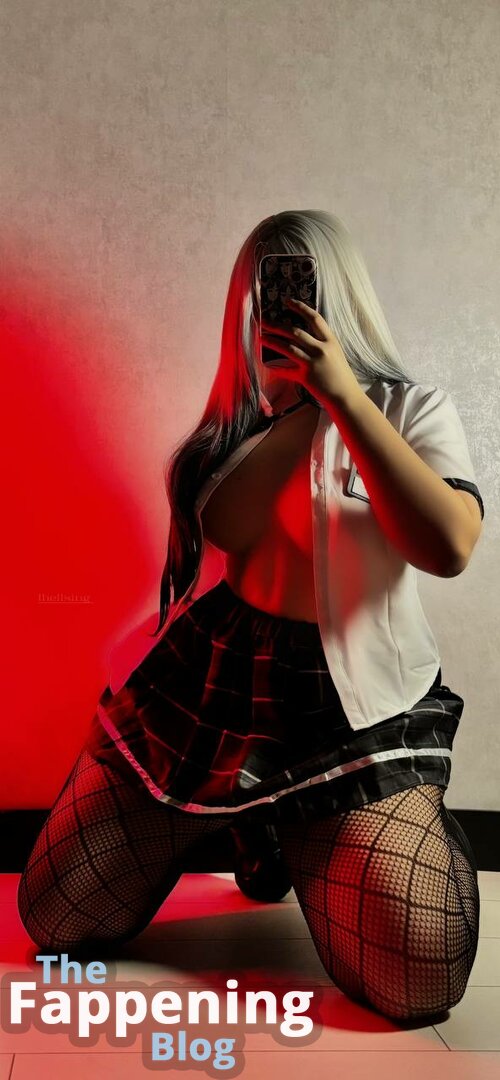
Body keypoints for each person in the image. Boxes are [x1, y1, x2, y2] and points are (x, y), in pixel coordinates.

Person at [18, 210, 484, 1023]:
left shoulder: (409, 409)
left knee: (420, 973)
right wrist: (285, 404)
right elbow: (209, 552)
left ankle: (297, 833)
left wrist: (343, 396)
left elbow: (448, 546)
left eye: (303, 283)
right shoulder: (233, 427)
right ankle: (243, 824)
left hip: (346, 705)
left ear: (342, 294)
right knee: (56, 916)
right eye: (265, 287)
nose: (284, 303)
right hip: (213, 686)